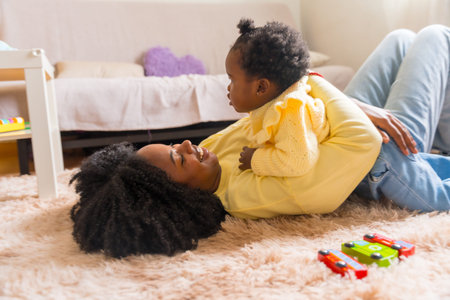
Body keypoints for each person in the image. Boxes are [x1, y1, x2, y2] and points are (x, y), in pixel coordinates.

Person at [70, 24, 450, 258]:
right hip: (380, 152)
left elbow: (269, 111)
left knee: (400, 39)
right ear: (183, 196)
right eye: (179, 158)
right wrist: (311, 84)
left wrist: (322, 95)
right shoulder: (253, 194)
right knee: (435, 37)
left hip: (321, 116)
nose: (189, 146)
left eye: (178, 145)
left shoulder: (210, 161)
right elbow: (361, 143)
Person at [226, 19, 329, 177]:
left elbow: (299, 160)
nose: (228, 87)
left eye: (232, 80)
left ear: (261, 87)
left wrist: (254, 159)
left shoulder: (289, 110)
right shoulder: (273, 101)